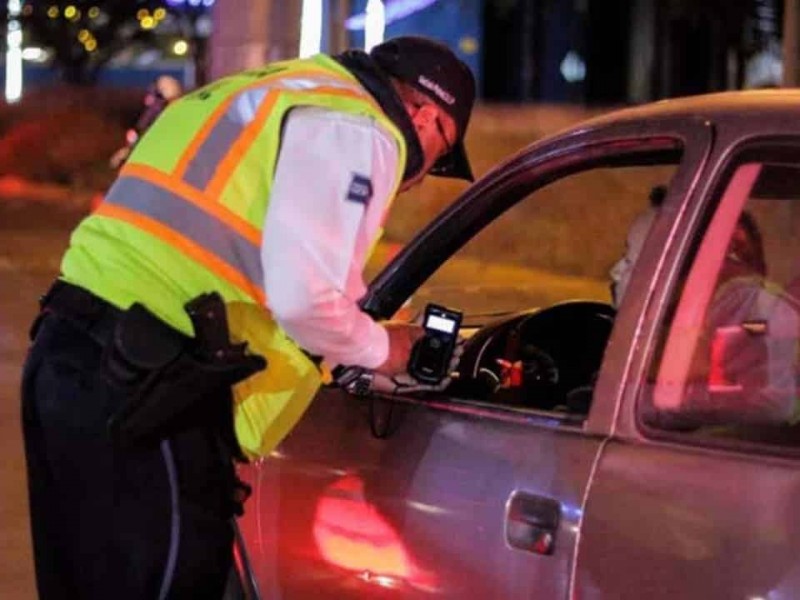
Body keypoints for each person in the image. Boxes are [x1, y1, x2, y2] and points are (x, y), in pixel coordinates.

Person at [21, 36, 476, 599]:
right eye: (442, 151)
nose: (423, 176)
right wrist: (389, 350)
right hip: (150, 382)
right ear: (425, 116)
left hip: (64, 353)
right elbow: (307, 301)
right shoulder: (361, 129)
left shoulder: (257, 93)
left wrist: (348, 337)